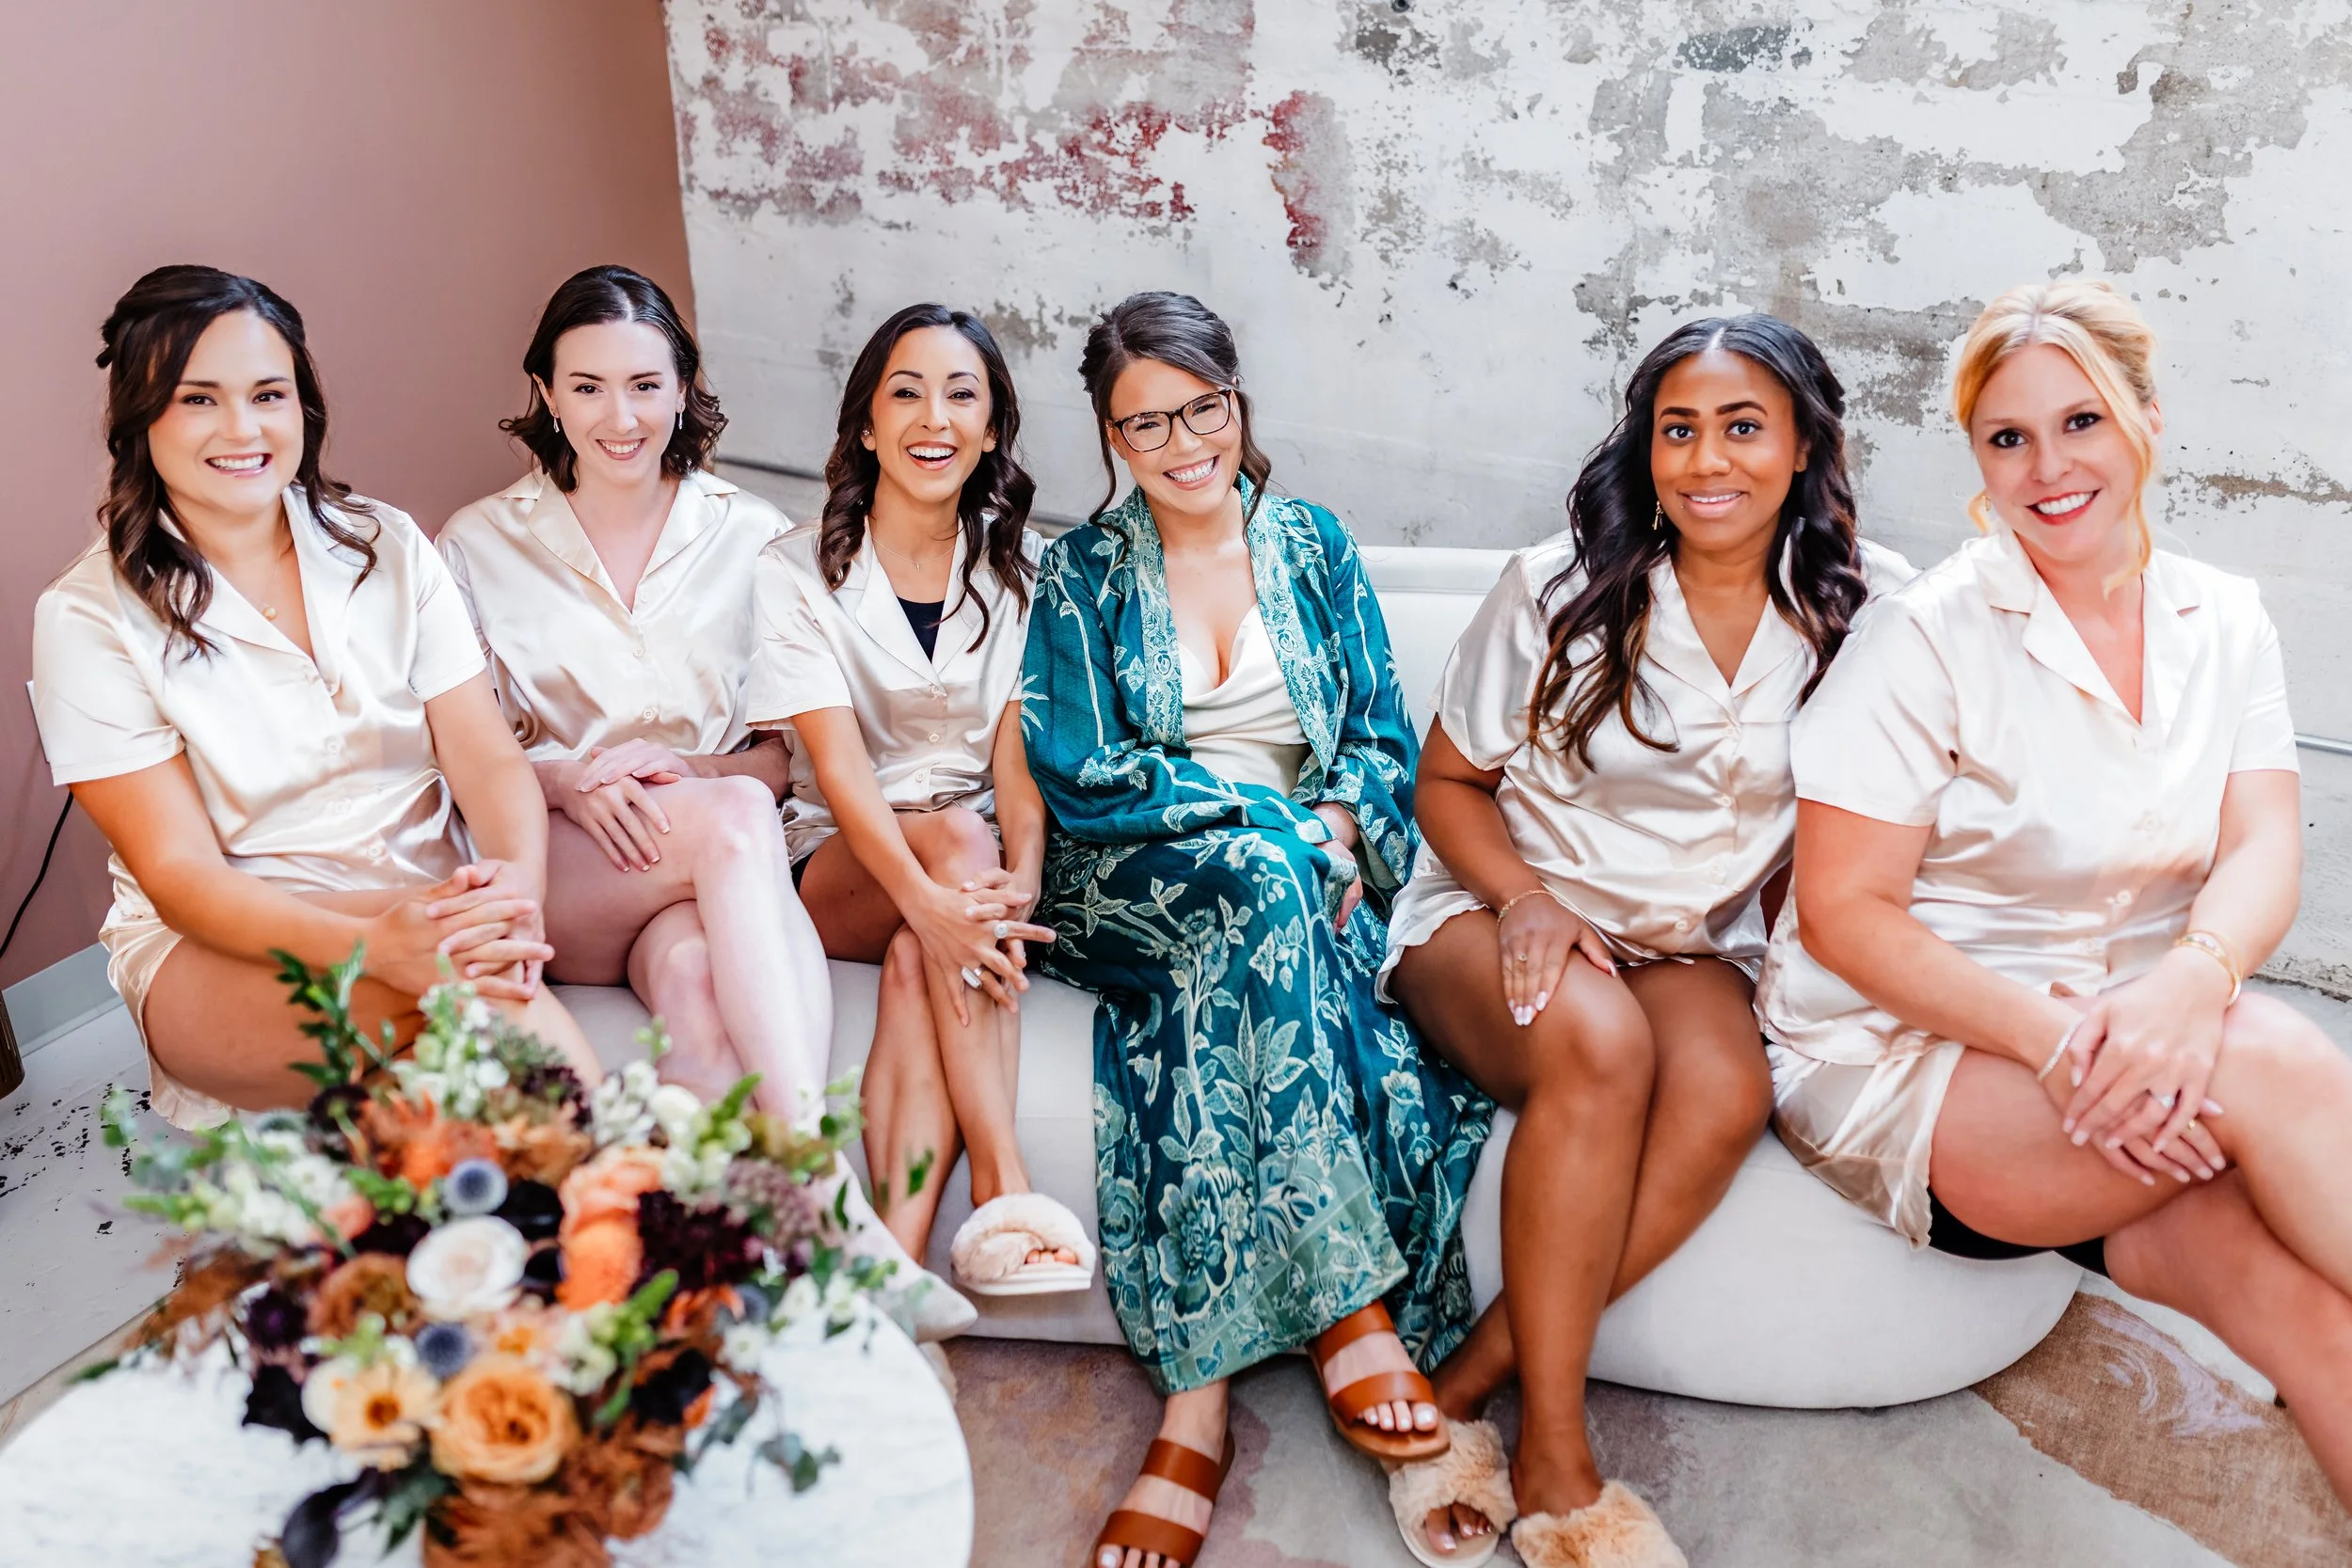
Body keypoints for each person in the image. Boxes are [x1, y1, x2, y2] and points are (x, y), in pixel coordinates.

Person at [1762, 278, 2352, 1509]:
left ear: (2146, 412)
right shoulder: (1927, 635)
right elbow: (1844, 911)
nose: (2049, 465)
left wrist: (2192, 980)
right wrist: (2072, 1046)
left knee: (2315, 1324)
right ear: (1979, 455)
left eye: (2081, 420)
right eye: (2009, 437)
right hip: (1914, 1062)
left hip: (2143, 1045)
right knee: (2277, 1058)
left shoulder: (2226, 618)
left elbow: (2264, 848)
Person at [1382, 315, 1913, 1567]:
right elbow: (1446, 783)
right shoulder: (1558, 587)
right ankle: (1557, 1457)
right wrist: (1524, 898)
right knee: (1604, 1048)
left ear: (1800, 447)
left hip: (1692, 947)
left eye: (1742, 427)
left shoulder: (1869, 607)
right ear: (1646, 446)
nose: (1706, 458)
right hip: (1497, 913)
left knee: (1728, 1089)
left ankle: (1451, 1386)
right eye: (1679, 428)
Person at [1024, 291, 1493, 1568]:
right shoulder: (1078, 573)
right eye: (1145, 424)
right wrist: (1269, 818)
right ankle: (1350, 1303)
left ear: (1238, 401)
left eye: (1202, 409)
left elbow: (1389, 739)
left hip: (1289, 883)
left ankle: (1196, 1410)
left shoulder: (1317, 546)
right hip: (1124, 878)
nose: (1181, 444)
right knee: (1253, 872)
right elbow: (1080, 768)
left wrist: (1338, 823)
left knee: (1247, 933)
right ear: (1110, 435)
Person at [31, 265, 598, 1129]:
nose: (243, 428)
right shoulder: (85, 615)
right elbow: (182, 877)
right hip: (227, 937)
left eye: (269, 393)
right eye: (198, 400)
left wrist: (511, 894)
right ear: (140, 417)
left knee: (484, 1046)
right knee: (484, 1007)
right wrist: (384, 944)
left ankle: (528, 1222)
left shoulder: (390, 544)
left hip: (425, 890)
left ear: (304, 407)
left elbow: (484, 754)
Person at [745, 303, 1091, 1298]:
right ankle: (1004, 1182)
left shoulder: (1023, 572)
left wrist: (1020, 874)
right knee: (945, 840)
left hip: (971, 864)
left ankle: (891, 1270)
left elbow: (1015, 760)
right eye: (906, 391)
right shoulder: (793, 569)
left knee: (919, 950)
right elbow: (838, 771)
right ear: (865, 422)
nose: (932, 417)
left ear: (991, 431)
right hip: (839, 862)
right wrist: (935, 889)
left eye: (961, 394)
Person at [437, 265, 833, 1121]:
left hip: (701, 874)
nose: (621, 419)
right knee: (732, 816)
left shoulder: (756, 536)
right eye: (587, 387)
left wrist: (688, 768)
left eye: (646, 386)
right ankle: (824, 1172)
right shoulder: (474, 544)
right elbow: (459, 754)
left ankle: (734, 1218)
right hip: (565, 870)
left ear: (684, 389)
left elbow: (781, 762)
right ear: (546, 393)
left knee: (697, 988)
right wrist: (567, 781)